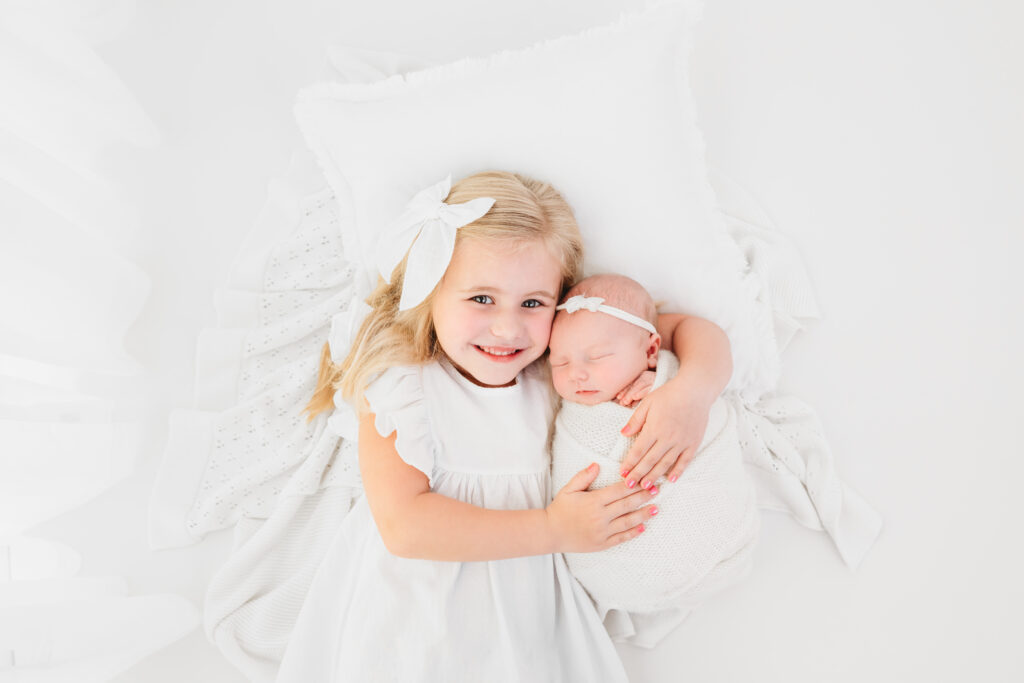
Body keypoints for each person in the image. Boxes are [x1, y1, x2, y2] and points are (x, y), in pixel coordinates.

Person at [277, 171, 733, 682]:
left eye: (533, 303)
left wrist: (693, 391)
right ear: (430, 292)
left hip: (532, 610)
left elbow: (687, 330)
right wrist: (555, 528)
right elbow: (403, 526)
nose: (507, 328)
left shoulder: (556, 366)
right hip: (419, 612)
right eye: (481, 299)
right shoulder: (403, 383)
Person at [548, 274, 759, 647]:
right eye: (558, 362)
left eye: (595, 357)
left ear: (650, 351)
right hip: (601, 564)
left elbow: (697, 355)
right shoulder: (575, 404)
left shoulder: (668, 372)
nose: (575, 373)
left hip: (702, 538)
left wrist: (669, 383)